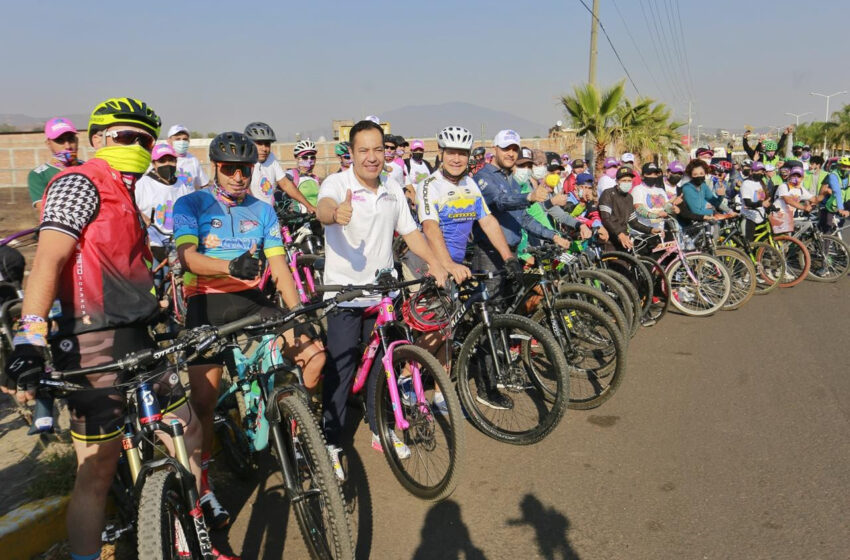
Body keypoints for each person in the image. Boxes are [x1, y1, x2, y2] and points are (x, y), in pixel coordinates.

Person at [3, 97, 213, 560]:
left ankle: (192, 533)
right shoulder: (79, 183)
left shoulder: (127, 192)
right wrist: (30, 336)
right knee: (96, 472)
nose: (137, 146)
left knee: (188, 430)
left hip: (140, 335)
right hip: (91, 342)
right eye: (126, 137)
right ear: (97, 139)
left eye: (145, 140)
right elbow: (49, 260)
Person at [173, 131, 326, 519]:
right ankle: (204, 489)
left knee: (314, 355)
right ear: (215, 168)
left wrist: (298, 313)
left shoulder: (262, 210)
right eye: (230, 169)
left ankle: (298, 433)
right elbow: (187, 258)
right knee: (204, 404)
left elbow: (280, 266)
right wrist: (229, 265)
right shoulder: (190, 203)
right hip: (205, 304)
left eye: (245, 169)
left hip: (252, 303)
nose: (238, 177)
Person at [316, 119, 448, 464]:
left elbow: (410, 233)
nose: (372, 157)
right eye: (364, 150)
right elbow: (323, 208)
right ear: (352, 153)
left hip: (383, 296)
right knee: (342, 371)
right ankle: (331, 440)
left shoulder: (391, 186)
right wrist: (335, 213)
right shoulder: (337, 182)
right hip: (344, 295)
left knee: (382, 364)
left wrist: (435, 263)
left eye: (377, 149)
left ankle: (381, 429)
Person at [471, 130, 570, 299]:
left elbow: (523, 218)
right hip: (490, 254)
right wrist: (529, 196)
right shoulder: (483, 176)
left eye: (514, 149)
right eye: (505, 148)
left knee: (510, 307)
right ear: (495, 149)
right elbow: (500, 200)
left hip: (512, 253)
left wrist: (552, 236)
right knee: (491, 308)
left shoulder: (513, 181)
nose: (510, 153)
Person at [134, 143, 194, 287]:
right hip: (153, 244)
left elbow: (190, 209)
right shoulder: (143, 184)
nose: (167, 164)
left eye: (171, 160)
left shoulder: (181, 185)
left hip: (176, 243)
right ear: (154, 164)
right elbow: (131, 205)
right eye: (162, 161)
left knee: (176, 282)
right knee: (154, 282)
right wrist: (142, 216)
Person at [243, 121, 315, 212]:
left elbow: (285, 184)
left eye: (267, 144)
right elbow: (245, 191)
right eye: (259, 143)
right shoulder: (244, 162)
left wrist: (308, 205)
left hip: (268, 215)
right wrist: (256, 212)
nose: (264, 148)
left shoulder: (271, 158)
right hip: (250, 214)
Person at [28, 118, 83, 214]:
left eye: (71, 139)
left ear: (77, 140)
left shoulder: (90, 168)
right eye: (60, 141)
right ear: (48, 144)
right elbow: (46, 212)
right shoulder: (39, 175)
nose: (67, 146)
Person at [599, 166, 657, 251]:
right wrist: (619, 233)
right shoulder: (608, 194)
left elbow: (633, 222)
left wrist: (650, 230)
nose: (627, 183)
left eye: (629, 181)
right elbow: (606, 219)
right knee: (619, 264)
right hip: (610, 239)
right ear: (617, 181)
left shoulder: (629, 197)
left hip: (625, 238)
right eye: (624, 180)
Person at [631, 162, 681, 234]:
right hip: (642, 234)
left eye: (655, 174)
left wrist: (673, 209)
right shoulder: (637, 189)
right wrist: (656, 215)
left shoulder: (660, 190)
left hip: (659, 232)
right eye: (649, 174)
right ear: (642, 176)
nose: (652, 176)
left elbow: (666, 206)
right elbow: (639, 209)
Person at [677, 159, 731, 226]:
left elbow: (715, 203)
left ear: (705, 173)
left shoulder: (703, 185)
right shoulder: (687, 188)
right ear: (691, 175)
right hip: (689, 225)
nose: (699, 176)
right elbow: (696, 211)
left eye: (701, 173)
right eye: (695, 174)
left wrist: (721, 195)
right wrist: (712, 211)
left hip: (704, 222)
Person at [276, 139, 321, 214]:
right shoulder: (290, 174)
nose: (309, 161)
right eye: (305, 157)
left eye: (312, 157)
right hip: (296, 221)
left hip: (315, 219)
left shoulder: (315, 178)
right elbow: (277, 192)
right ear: (297, 158)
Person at [166, 124, 209, 189]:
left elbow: (204, 185)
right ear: (169, 141)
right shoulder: (162, 160)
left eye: (185, 139)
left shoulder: (193, 160)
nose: (182, 142)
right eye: (177, 139)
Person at [739, 161, 772, 242]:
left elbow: (765, 200)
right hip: (749, 218)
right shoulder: (746, 184)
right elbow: (748, 203)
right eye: (757, 171)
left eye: (761, 171)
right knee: (749, 244)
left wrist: (773, 207)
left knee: (763, 243)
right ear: (751, 171)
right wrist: (761, 204)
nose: (759, 173)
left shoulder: (761, 183)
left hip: (761, 217)